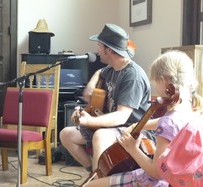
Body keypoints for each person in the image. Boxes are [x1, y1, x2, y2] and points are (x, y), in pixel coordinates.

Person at [84, 50, 203, 187]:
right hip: (181, 177)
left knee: (92, 185)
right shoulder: (192, 109)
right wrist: (138, 125)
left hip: (157, 181)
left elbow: (156, 172)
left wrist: (132, 148)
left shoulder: (168, 122)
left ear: (163, 80)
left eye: (155, 82)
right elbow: (173, 124)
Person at [59, 23, 152, 173]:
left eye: (99, 46)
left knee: (100, 136)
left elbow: (122, 116)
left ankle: (97, 181)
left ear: (109, 50)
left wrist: (90, 121)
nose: (97, 50)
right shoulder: (112, 68)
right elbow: (101, 72)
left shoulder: (132, 77)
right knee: (66, 134)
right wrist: (93, 79)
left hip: (131, 128)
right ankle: (95, 174)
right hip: (112, 126)